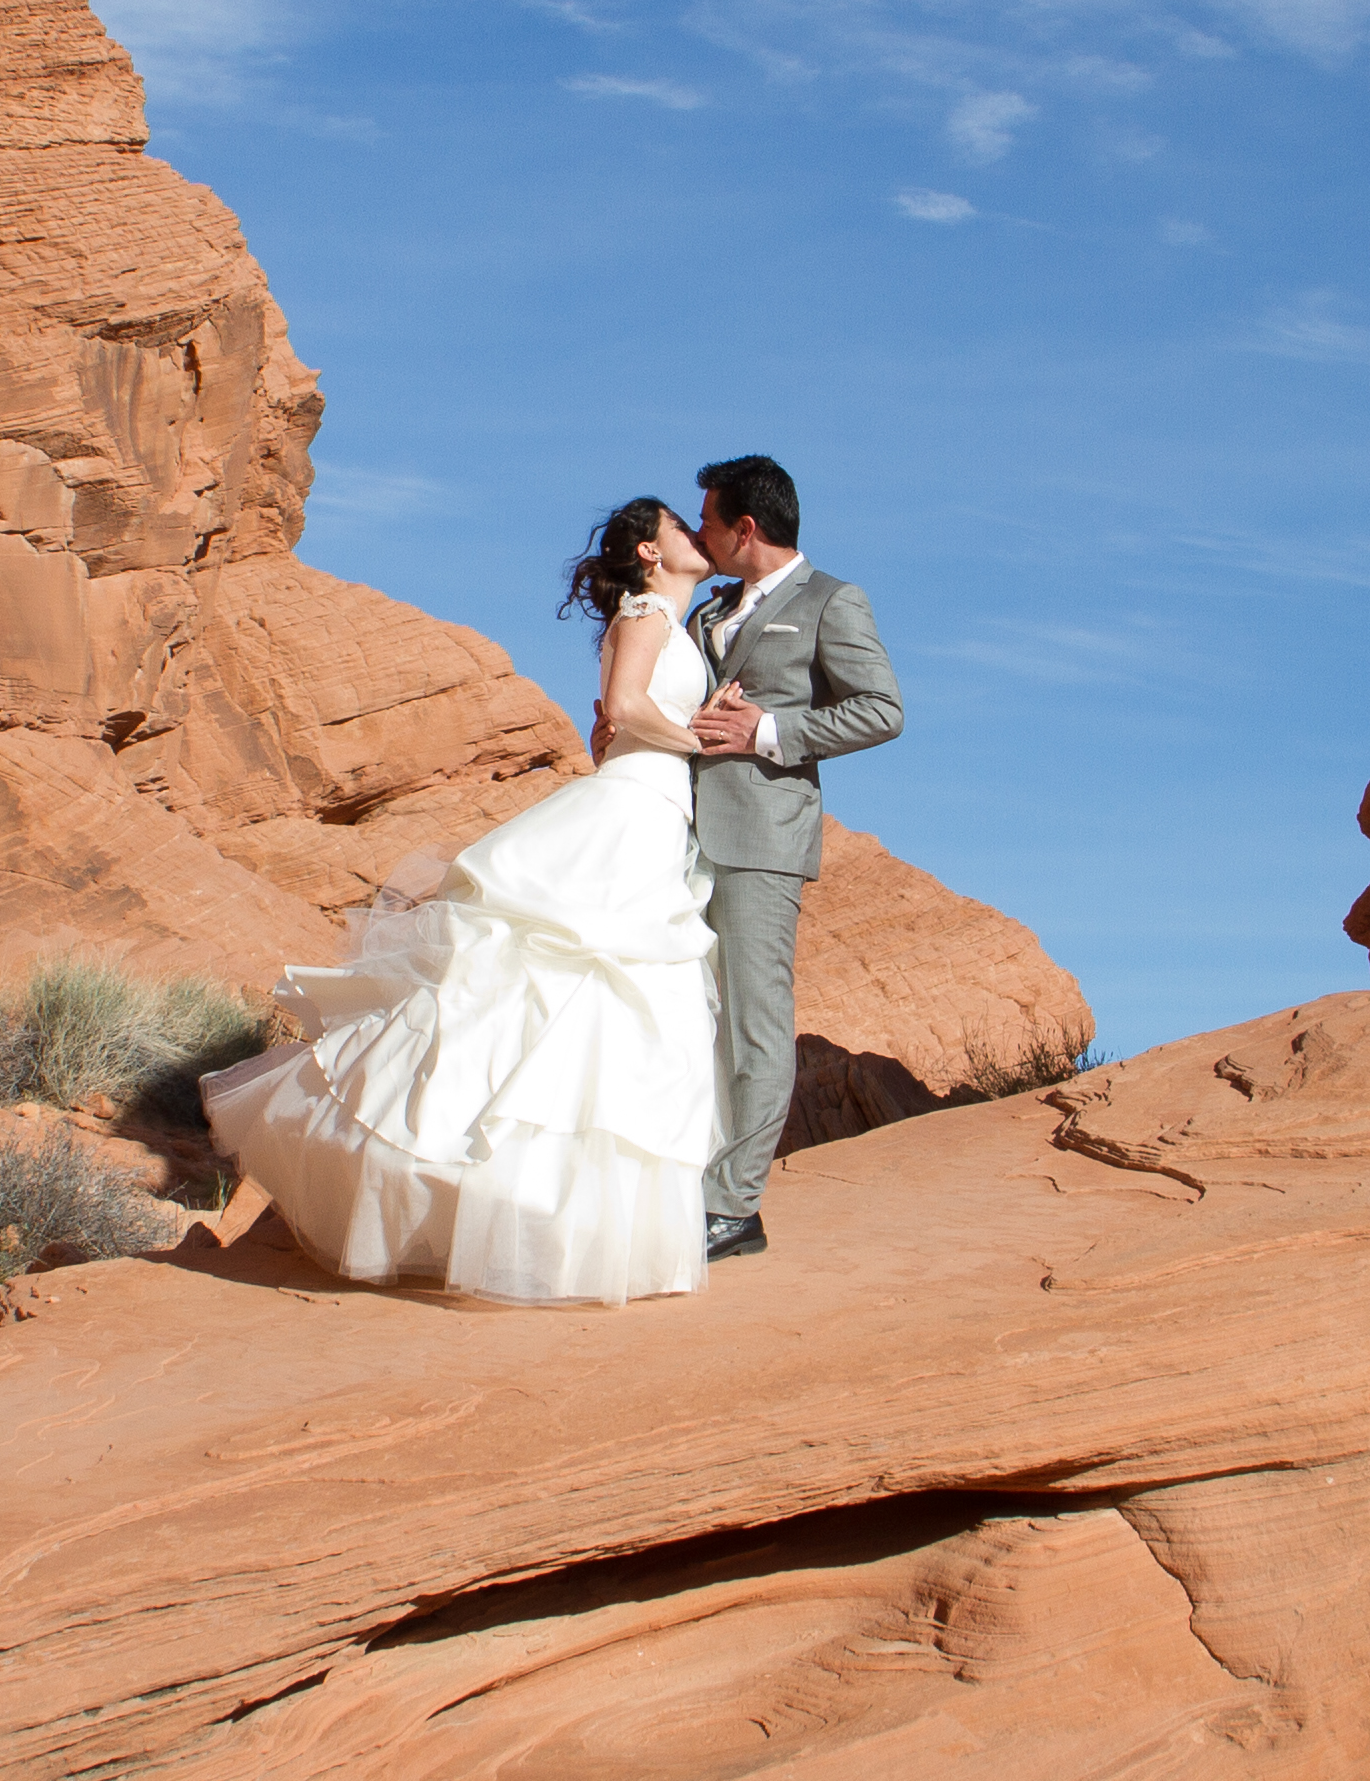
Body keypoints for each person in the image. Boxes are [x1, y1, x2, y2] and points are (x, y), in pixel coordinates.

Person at [202, 498, 727, 1302]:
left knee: (593, 993)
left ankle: (551, 1213)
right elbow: (622, 710)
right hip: (633, 805)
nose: (698, 535)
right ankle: (506, 1196)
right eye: (681, 527)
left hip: (652, 812)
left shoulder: (671, 621)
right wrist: (700, 740)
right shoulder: (650, 610)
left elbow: (619, 717)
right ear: (651, 553)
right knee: (570, 978)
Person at [678, 454, 903, 1259]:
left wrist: (768, 731)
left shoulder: (831, 601)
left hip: (763, 841)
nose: (697, 532)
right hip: (681, 835)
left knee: (754, 1024)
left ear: (746, 528)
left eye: (707, 519)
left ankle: (733, 1207)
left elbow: (882, 710)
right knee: (691, 1018)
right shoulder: (709, 611)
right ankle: (691, 1182)